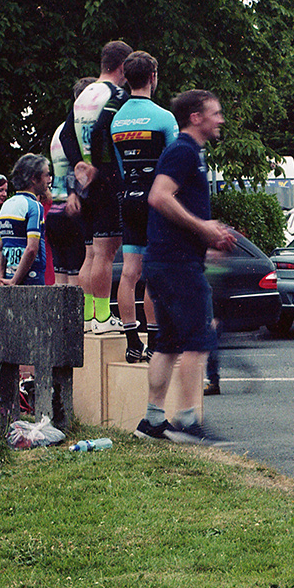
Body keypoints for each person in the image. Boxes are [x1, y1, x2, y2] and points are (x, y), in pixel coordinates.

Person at [134, 90, 239, 443]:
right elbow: (159, 196)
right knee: (197, 339)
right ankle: (188, 420)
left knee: (168, 343)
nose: (220, 119)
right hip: (176, 264)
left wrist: (206, 240)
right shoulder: (182, 151)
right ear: (196, 117)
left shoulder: (189, 153)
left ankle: (151, 421)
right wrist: (203, 228)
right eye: (215, 113)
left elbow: (173, 207)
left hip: (167, 260)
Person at [112, 52, 180, 364]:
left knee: (129, 272)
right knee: (153, 274)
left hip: (129, 198)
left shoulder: (117, 119)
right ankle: (154, 341)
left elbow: (120, 166)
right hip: (156, 201)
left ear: (126, 77)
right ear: (152, 76)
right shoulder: (164, 117)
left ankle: (131, 343)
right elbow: (176, 165)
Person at [64, 41, 132, 334]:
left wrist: (80, 165)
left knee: (91, 253)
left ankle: (89, 317)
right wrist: (101, 171)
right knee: (106, 252)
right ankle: (103, 319)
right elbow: (104, 129)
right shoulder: (116, 94)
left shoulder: (84, 95)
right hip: (104, 183)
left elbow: (67, 134)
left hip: (84, 186)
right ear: (122, 67)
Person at [45, 78, 92, 290]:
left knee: (60, 279)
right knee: (78, 280)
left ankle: (62, 323)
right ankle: (83, 322)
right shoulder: (77, 131)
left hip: (55, 210)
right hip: (74, 210)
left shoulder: (59, 130)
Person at [0, 155, 50, 286]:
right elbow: (32, 249)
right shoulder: (35, 206)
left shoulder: (6, 205)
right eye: (46, 175)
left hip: (8, 277)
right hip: (32, 279)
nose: (49, 180)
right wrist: (14, 281)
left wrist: (0, 278)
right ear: (34, 178)